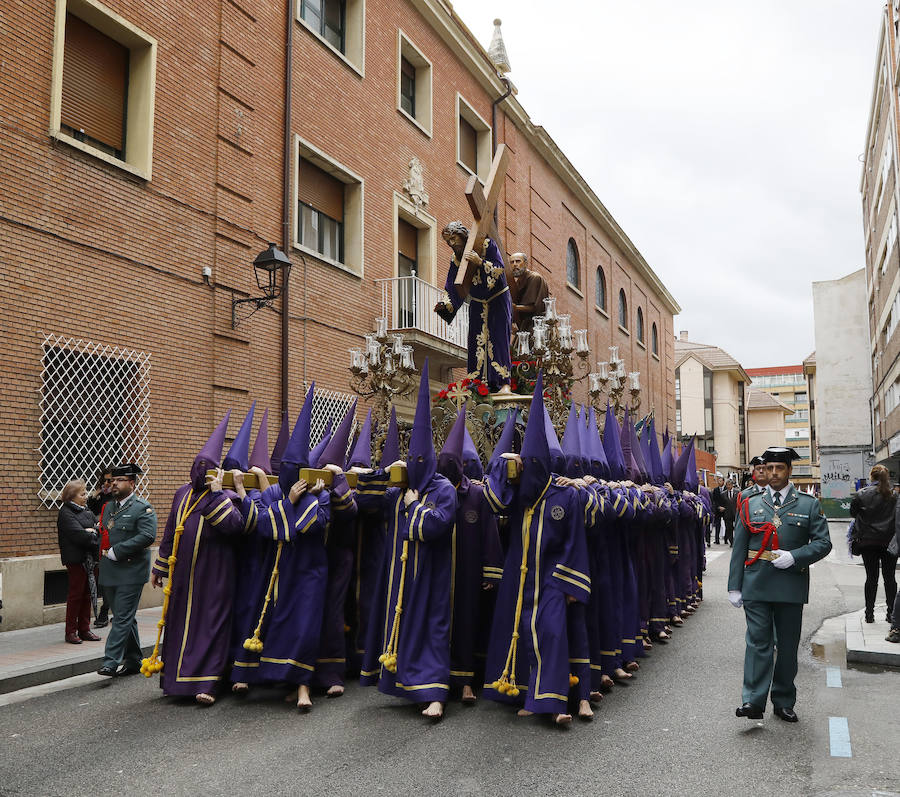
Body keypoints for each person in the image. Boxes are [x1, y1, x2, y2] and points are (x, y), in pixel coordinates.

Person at [359, 359, 457, 721]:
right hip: (400, 577)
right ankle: (403, 684)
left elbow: (436, 526)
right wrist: (383, 475)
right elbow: (367, 502)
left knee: (430, 630)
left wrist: (415, 507)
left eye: (420, 459)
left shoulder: (442, 489)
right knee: (402, 628)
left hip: (431, 576)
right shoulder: (401, 490)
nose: (414, 464)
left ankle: (434, 693)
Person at [728, 447, 832, 723]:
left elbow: (823, 543)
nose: (773, 473)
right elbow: (739, 547)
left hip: (790, 584)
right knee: (758, 643)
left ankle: (784, 700)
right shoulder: (750, 503)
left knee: (786, 647)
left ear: (789, 470)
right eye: (769, 468)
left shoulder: (808, 504)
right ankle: (752, 700)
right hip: (756, 584)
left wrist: (796, 556)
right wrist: (733, 586)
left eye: (779, 468)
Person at [149, 412, 245, 704]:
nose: (201, 471)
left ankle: (208, 684)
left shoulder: (224, 494)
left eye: (208, 468)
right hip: (183, 576)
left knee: (211, 624)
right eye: (198, 466)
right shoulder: (181, 492)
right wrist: (160, 566)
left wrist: (217, 495)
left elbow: (235, 527)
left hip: (215, 573)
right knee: (179, 627)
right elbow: (170, 530)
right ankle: (175, 683)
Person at [433, 221, 512, 393]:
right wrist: (445, 305)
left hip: (497, 300)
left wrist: (480, 262)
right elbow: (453, 286)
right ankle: (478, 385)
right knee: (476, 342)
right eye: (448, 242)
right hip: (477, 303)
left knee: (498, 340)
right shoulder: (456, 260)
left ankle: (503, 383)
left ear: (462, 235)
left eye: (454, 239)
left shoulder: (486, 244)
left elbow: (499, 270)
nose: (452, 244)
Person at [97, 464, 157, 677]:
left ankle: (110, 661)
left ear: (131, 483)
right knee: (126, 617)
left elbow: (148, 536)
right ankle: (133, 660)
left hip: (131, 570)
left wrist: (119, 551)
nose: (114, 483)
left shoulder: (142, 508)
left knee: (121, 617)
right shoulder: (109, 507)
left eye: (119, 480)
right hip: (109, 570)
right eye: (112, 480)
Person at [849, 465, 897, 624]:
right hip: (890, 543)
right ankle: (891, 614)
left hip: (868, 542)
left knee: (871, 578)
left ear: (871, 477)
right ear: (886, 477)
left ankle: (869, 614)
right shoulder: (894, 495)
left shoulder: (861, 494)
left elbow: (853, 513)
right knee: (889, 578)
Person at [57, 479, 101, 644]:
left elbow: (98, 529)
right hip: (76, 560)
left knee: (87, 595)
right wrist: (90, 533)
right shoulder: (66, 513)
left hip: (90, 561)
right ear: (71, 496)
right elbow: (80, 536)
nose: (85, 496)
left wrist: (92, 531)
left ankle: (85, 629)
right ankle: (71, 632)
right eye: (82, 494)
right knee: (76, 595)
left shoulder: (86, 510)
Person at [87, 467, 114, 627]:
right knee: (103, 579)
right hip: (100, 542)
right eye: (104, 480)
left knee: (112, 580)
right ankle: (105, 612)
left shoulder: (117, 498)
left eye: (109, 480)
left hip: (113, 543)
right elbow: (90, 512)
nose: (106, 483)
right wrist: (95, 495)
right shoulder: (102, 497)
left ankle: (106, 611)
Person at [508, 252, 549, 336]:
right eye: (512, 262)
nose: (515, 264)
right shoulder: (517, 282)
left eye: (518, 261)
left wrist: (515, 307)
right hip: (524, 329)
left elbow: (535, 307)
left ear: (526, 263)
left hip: (537, 328)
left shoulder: (535, 278)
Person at [719, 479, 738, 546]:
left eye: (729, 485)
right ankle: (731, 542)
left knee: (737, 527)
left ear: (732, 485)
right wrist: (720, 507)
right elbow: (720, 504)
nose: (728, 486)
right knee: (729, 528)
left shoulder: (737, 492)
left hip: (736, 513)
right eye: (727, 485)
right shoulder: (723, 494)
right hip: (727, 514)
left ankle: (737, 541)